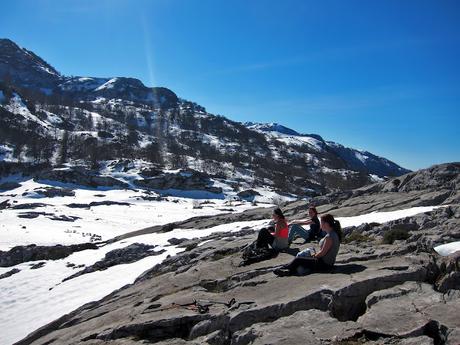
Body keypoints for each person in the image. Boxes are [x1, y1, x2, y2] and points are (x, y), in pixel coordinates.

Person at [274, 213, 342, 276]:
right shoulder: (333, 233)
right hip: (326, 262)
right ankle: (287, 267)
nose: (320, 225)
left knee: (299, 260)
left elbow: (322, 253)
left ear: (326, 224)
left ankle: (286, 270)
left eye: (321, 222)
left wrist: (313, 256)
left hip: (324, 264)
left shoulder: (329, 237)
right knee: (309, 251)